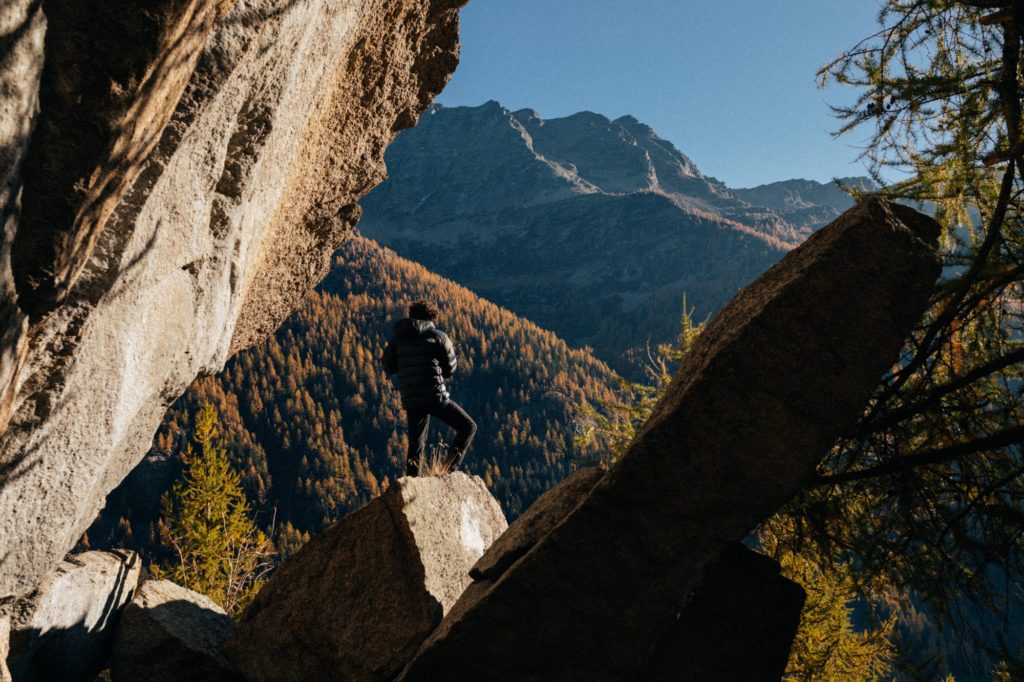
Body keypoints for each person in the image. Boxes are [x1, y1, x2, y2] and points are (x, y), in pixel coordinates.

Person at [382, 299, 476, 477]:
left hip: (411, 398)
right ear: (431, 318)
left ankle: (412, 481)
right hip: (434, 397)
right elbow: (450, 370)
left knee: (416, 445)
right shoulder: (438, 337)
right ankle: (447, 471)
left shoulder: (398, 339)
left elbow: (389, 367)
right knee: (468, 427)